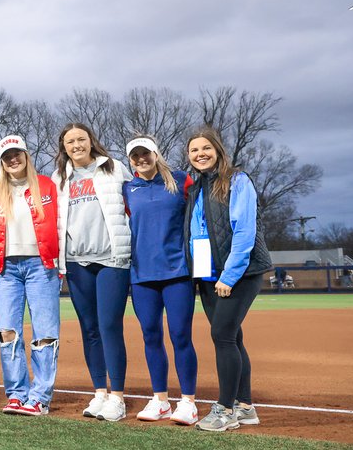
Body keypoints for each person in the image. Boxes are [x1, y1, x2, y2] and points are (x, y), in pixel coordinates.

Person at [184, 127, 272, 432]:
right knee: (232, 337)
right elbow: (197, 234)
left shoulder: (237, 180)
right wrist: (200, 275)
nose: (200, 154)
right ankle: (245, 406)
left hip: (240, 273)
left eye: (205, 148)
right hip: (209, 275)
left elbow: (245, 231)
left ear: (218, 150)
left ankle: (225, 409)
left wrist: (229, 276)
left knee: (222, 336)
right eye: (194, 150)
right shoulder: (196, 189)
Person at [53, 122, 133, 422]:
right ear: (64, 147)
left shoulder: (114, 168)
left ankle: (118, 397)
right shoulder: (59, 177)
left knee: (109, 325)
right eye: (70, 141)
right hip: (76, 261)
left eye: (81, 139)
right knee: (89, 328)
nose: (76, 145)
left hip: (111, 258)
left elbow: (135, 202)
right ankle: (100, 391)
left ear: (91, 141)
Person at [0, 135, 61, 417]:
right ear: (2, 162)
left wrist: (60, 264)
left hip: (41, 266)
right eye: (7, 156)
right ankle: (16, 394)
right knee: (7, 332)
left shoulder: (47, 185)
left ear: (27, 156)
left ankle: (39, 396)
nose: (13, 160)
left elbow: (59, 224)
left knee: (45, 334)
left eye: (17, 154)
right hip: (6, 269)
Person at [123, 136, 199, 425]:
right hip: (142, 274)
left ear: (156, 153)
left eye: (145, 153)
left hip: (177, 271)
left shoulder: (180, 181)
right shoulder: (128, 189)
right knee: (151, 335)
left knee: (180, 335)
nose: (141, 159)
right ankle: (161, 399)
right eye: (135, 156)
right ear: (131, 160)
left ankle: (188, 402)